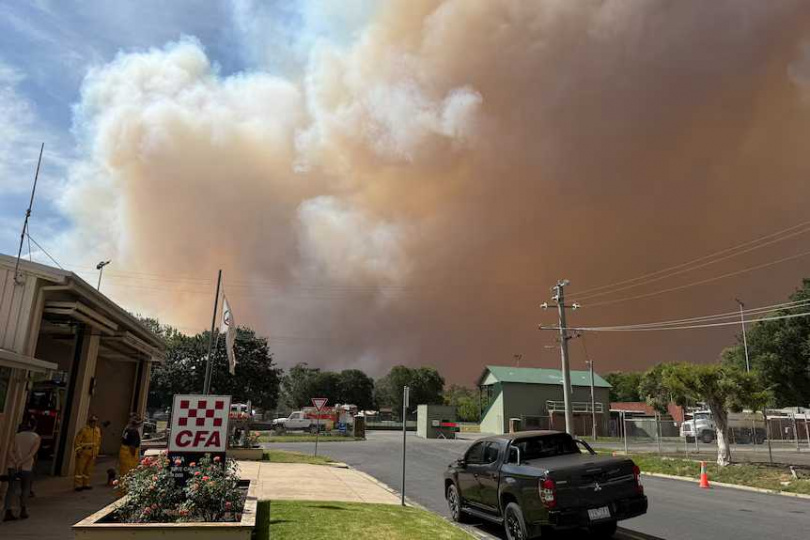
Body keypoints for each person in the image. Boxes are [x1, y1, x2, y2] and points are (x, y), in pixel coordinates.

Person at [3, 418, 40, 521]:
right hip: (26, 467)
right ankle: (23, 510)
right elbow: (32, 453)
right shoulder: (36, 437)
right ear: (34, 427)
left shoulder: (16, 436)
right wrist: (22, 462)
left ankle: (8, 511)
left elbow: (10, 451)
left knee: (11, 488)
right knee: (25, 488)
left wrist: (16, 461)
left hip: (13, 466)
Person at [73, 415, 101, 491]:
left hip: (92, 453)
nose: (93, 423)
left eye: (95, 421)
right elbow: (77, 441)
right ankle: (78, 485)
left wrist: (96, 452)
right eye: (92, 421)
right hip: (83, 452)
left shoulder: (97, 430)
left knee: (88, 470)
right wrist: (78, 450)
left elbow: (98, 442)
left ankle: (86, 484)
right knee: (79, 470)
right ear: (89, 422)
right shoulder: (84, 430)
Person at [118, 414, 142, 479]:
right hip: (129, 455)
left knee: (123, 473)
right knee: (129, 473)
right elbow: (132, 446)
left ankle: (121, 488)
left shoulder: (127, 429)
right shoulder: (134, 431)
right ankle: (125, 489)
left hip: (123, 452)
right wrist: (134, 456)